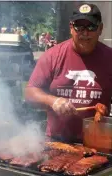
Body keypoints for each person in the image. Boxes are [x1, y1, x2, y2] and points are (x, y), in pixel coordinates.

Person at [25, 3, 112, 143]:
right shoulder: (52, 56)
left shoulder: (109, 58)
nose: (85, 33)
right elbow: (30, 92)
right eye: (79, 27)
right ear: (71, 28)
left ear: (100, 29)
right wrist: (53, 101)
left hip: (98, 143)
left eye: (91, 27)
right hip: (56, 141)